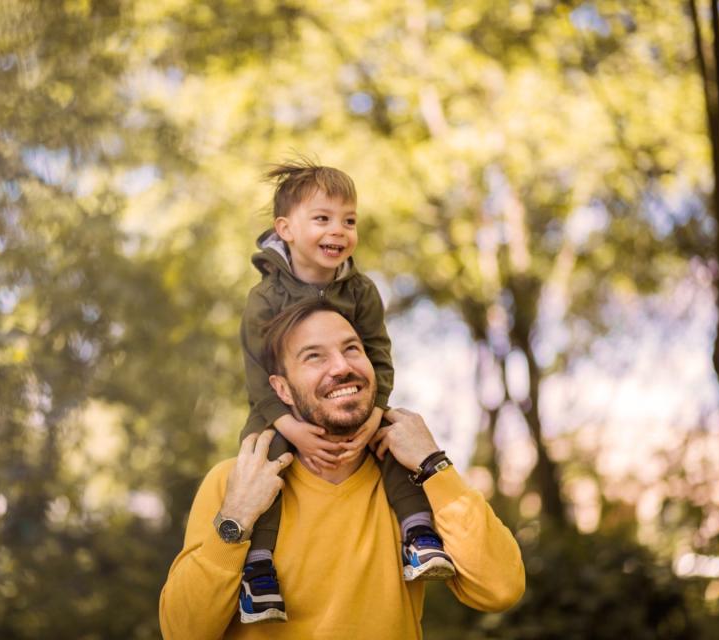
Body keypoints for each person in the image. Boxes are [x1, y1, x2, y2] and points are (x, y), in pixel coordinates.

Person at [159, 300, 525, 639]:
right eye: (314, 357)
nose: (342, 367)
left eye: (352, 349)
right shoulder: (233, 482)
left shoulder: (416, 480)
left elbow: (500, 589)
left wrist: (433, 464)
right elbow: (182, 632)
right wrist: (236, 517)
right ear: (282, 390)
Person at [236, 159, 454, 623]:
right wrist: (292, 428)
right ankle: (258, 568)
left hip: (355, 402)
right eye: (323, 218)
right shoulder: (265, 299)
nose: (339, 229)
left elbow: (378, 356)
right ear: (286, 228)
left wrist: (375, 414)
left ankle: (418, 535)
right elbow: (257, 375)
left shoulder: (361, 291)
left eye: (349, 220)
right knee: (260, 454)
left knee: (395, 437)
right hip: (280, 409)